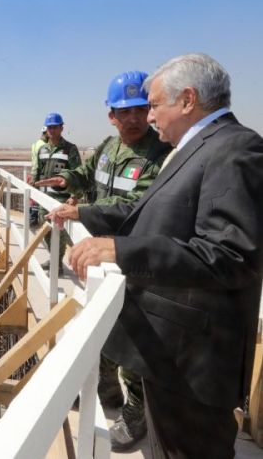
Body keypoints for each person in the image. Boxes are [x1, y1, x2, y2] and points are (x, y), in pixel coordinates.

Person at [49, 53, 263, 458]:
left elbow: (230, 255)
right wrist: (87, 214)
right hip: (176, 351)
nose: (147, 118)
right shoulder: (195, 148)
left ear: (186, 100)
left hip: (195, 358)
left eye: (153, 105)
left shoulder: (236, 149)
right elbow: (150, 210)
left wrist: (122, 248)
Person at [37, 71, 172, 451]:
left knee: (135, 340)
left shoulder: (162, 154)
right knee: (102, 328)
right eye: (123, 111)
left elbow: (136, 205)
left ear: (149, 111)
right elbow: (84, 175)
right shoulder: (108, 149)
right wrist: (65, 180)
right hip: (98, 258)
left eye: (139, 109)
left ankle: (136, 413)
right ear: (111, 115)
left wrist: (82, 213)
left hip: (134, 262)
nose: (131, 118)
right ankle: (106, 390)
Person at [32, 113, 81, 272]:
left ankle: (62, 263)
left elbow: (77, 174)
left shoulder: (70, 149)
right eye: (49, 127)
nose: (52, 130)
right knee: (46, 230)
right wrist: (33, 190)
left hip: (61, 199)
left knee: (61, 234)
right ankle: (55, 261)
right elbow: (38, 172)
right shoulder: (43, 149)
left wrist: (74, 196)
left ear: (61, 128)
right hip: (44, 198)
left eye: (55, 127)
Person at [28, 126, 49, 226]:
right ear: (46, 133)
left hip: (33, 173)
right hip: (40, 174)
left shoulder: (35, 144)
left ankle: (31, 218)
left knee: (33, 198)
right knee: (39, 198)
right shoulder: (44, 146)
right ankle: (35, 219)